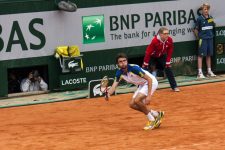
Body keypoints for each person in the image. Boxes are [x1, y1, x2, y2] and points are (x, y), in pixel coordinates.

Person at [107, 53, 164, 130]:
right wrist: (108, 94)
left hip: (151, 82)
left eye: (124, 61)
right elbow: (114, 86)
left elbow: (149, 79)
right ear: (117, 64)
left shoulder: (134, 69)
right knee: (132, 104)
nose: (123, 63)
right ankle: (156, 114)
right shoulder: (119, 73)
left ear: (127, 61)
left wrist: (149, 96)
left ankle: (152, 120)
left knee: (137, 100)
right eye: (120, 61)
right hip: (142, 85)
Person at [142, 27, 180, 92]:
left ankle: (174, 87)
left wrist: (168, 61)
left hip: (161, 56)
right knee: (145, 71)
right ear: (160, 34)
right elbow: (148, 52)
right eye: (165, 33)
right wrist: (145, 63)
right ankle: (142, 88)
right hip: (151, 56)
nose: (167, 35)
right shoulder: (155, 41)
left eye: (168, 33)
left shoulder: (169, 40)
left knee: (168, 68)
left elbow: (170, 50)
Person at [193, 3, 216, 79]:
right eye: (205, 9)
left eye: (207, 9)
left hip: (210, 39)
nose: (206, 11)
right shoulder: (199, 19)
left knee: (208, 55)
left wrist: (211, 35)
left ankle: (209, 71)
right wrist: (198, 38)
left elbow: (212, 27)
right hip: (202, 39)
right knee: (200, 55)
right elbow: (195, 29)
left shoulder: (210, 18)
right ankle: (199, 73)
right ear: (202, 10)